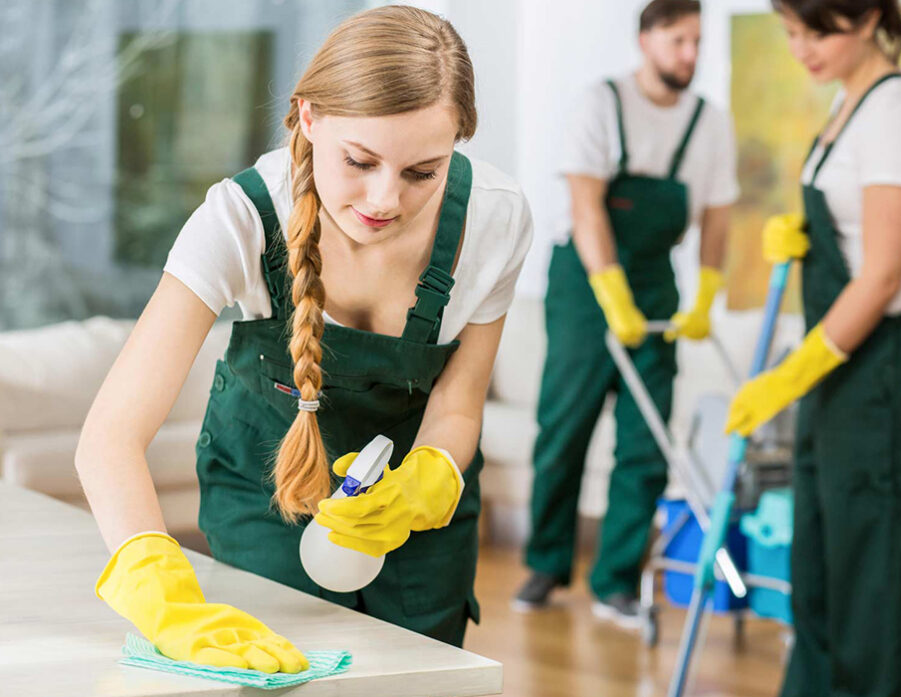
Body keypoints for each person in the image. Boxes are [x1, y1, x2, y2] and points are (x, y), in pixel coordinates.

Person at [75, 5, 533, 670]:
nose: (385, 199)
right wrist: (164, 600)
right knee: (284, 672)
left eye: (422, 172)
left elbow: (459, 405)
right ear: (310, 118)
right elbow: (109, 436)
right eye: (360, 160)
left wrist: (425, 483)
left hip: (411, 515)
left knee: (420, 681)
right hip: (268, 496)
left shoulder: (495, 220)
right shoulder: (240, 220)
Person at [726, 1, 901, 695]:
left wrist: (793, 371)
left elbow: (882, 275)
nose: (801, 47)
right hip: (842, 362)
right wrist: (803, 229)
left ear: (867, 17)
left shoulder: (896, 114)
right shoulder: (847, 101)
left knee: (872, 567)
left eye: (816, 30)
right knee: (821, 556)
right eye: (792, 30)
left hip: (884, 364)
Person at [515, 0, 739, 626]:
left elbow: (718, 215)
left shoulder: (709, 123)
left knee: (647, 437)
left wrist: (705, 294)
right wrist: (612, 295)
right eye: (677, 41)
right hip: (587, 280)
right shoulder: (602, 104)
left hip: (656, 281)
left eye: (697, 42)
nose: (689, 54)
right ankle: (546, 564)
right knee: (567, 425)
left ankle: (613, 580)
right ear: (646, 40)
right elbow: (586, 206)